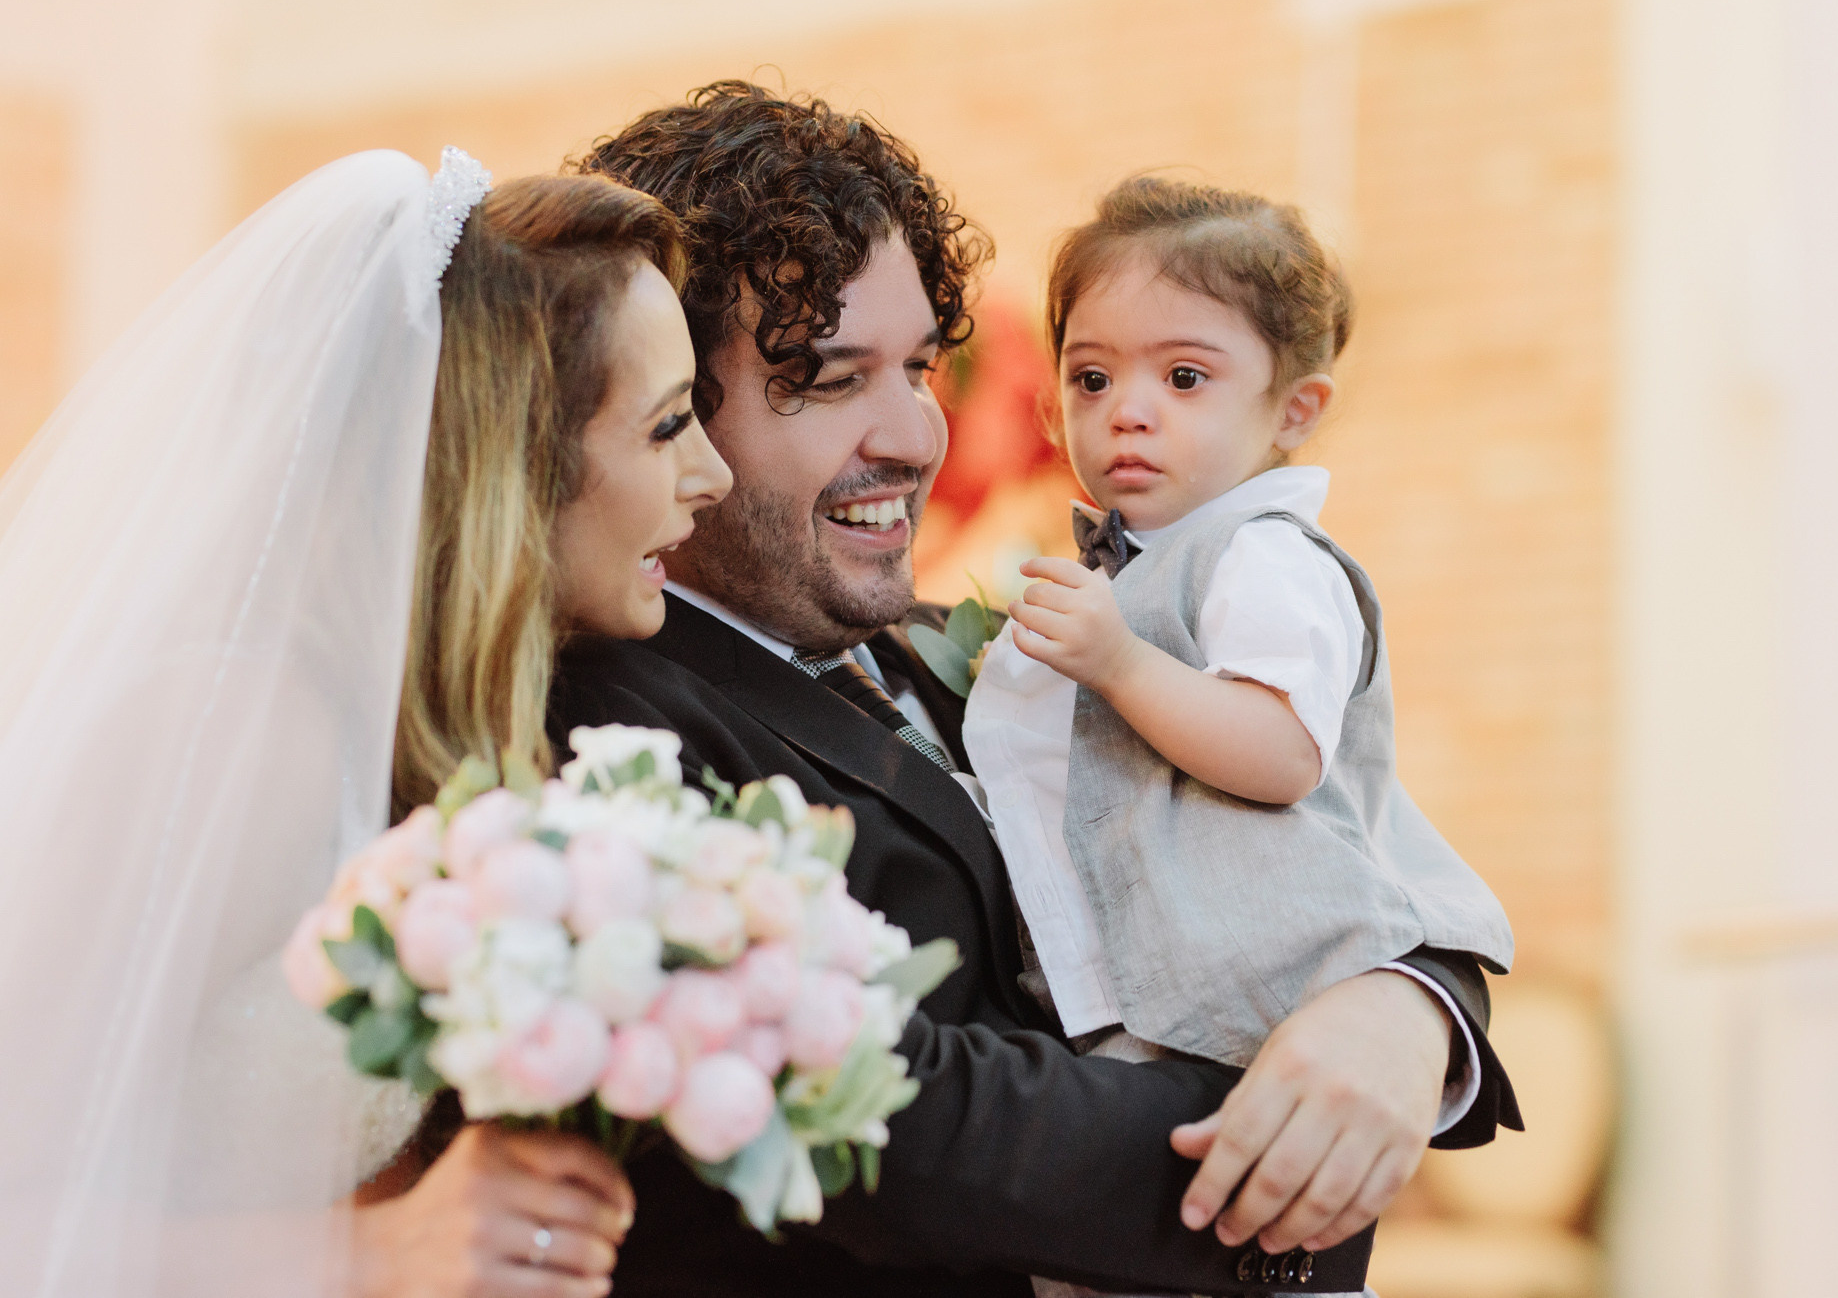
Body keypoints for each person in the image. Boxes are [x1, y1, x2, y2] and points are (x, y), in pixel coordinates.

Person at [549, 81, 1521, 1296]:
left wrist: (1400, 1011)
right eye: (835, 377)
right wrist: (1289, 1149)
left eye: (919, 367)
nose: (913, 436)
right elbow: (909, 1128)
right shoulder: (591, 727)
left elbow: (1339, 835)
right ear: (672, 403)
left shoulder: (989, 656)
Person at [0, 148, 731, 1298]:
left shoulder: (447, 735)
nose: (713, 475)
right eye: (667, 425)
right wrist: (370, 1256)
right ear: (511, 463)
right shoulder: (240, 732)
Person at [962, 178, 1514, 1297]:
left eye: (1182, 377)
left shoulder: (1264, 558)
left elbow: (1277, 751)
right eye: (1090, 375)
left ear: (1292, 411)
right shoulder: (1139, 569)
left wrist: (1117, 662)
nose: (1126, 408)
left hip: (1246, 1020)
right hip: (1150, 1019)